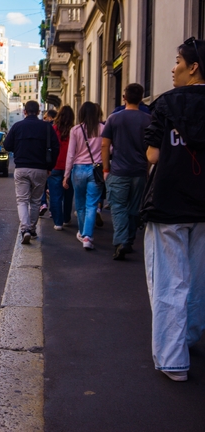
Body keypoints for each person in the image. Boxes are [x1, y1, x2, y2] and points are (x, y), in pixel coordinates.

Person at [141, 37, 205, 382]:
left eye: (178, 61)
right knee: (198, 279)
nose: (173, 67)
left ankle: (173, 359)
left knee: (169, 281)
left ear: (193, 67)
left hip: (169, 202)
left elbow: (152, 155)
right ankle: (190, 335)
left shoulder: (167, 103)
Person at [101, 83, 151, 260]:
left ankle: (121, 241)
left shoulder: (114, 119)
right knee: (134, 208)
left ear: (124, 97)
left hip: (119, 171)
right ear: (141, 98)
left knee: (118, 207)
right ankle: (128, 240)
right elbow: (151, 149)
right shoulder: (148, 120)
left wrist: (106, 168)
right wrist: (147, 169)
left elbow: (105, 145)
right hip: (139, 171)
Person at [4, 100, 60, 244]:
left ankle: (25, 229)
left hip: (21, 167)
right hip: (40, 169)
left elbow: (7, 145)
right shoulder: (47, 128)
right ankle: (32, 228)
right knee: (35, 201)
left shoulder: (17, 126)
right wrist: (50, 167)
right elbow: (56, 148)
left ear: (24, 112)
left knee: (22, 200)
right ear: (39, 112)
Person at [63, 101, 104, 250]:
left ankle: (82, 232)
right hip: (96, 169)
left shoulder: (75, 130)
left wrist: (66, 175)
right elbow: (110, 148)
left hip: (78, 169)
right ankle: (88, 236)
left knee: (80, 204)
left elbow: (71, 154)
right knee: (92, 204)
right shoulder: (102, 128)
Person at [47, 105, 75, 230]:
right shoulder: (74, 131)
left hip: (55, 165)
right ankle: (66, 218)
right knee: (68, 195)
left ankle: (58, 222)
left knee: (55, 195)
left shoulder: (53, 130)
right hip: (71, 167)